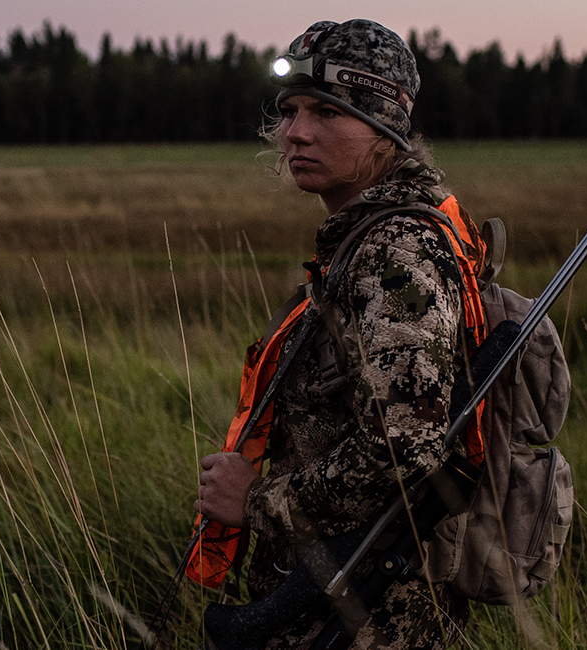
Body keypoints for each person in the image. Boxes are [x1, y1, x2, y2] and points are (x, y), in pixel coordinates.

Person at [194, 18, 474, 649]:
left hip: (374, 616)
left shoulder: (395, 252)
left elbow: (406, 449)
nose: (294, 132)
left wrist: (259, 503)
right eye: (290, 111)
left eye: (325, 112)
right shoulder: (362, 244)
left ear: (385, 127)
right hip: (336, 597)